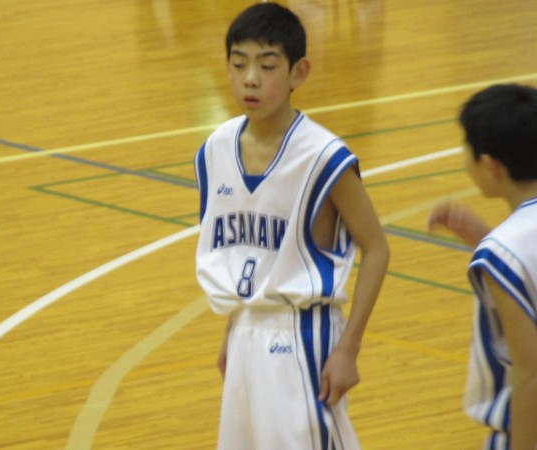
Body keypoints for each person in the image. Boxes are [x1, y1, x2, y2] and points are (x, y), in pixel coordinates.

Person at [194, 3, 389, 449]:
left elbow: (376, 248)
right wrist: (236, 328)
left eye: (266, 66)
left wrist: (348, 349)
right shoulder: (215, 149)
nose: (250, 79)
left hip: (305, 337)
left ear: (298, 73)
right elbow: (244, 256)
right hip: (246, 332)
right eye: (239, 64)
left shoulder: (324, 157)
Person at [428, 84, 537, 450]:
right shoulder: (512, 244)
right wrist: (482, 235)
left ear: (490, 165)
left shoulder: (502, 254)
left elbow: (530, 373)